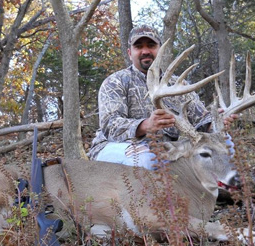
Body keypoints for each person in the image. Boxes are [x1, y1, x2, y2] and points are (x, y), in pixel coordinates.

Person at [87, 25, 235, 169]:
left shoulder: (177, 85)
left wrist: (217, 122)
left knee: (226, 143)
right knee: (149, 159)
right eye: (138, 47)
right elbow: (110, 125)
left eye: (151, 45)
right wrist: (145, 125)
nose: (145, 51)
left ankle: (226, 190)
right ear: (129, 53)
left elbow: (202, 121)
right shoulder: (115, 82)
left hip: (163, 149)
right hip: (114, 147)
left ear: (160, 50)